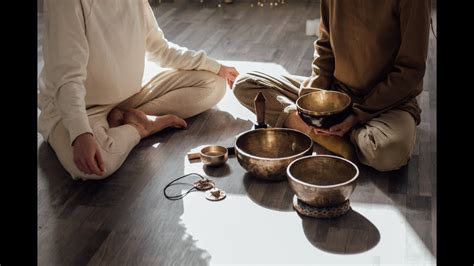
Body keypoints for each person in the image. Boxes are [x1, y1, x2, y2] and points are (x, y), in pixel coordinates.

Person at [38, 0, 239, 180]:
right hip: (80, 107)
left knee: (214, 84)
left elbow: (160, 49)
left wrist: (215, 67)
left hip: (130, 94)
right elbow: (67, 78)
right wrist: (81, 133)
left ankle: (124, 119)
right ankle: (141, 128)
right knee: (95, 165)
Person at [232, 0, 431, 171]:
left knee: (386, 152)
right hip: (336, 95)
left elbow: (410, 71)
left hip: (388, 104)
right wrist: (312, 101)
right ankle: (330, 135)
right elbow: (325, 46)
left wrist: (357, 115)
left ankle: (321, 132)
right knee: (246, 84)